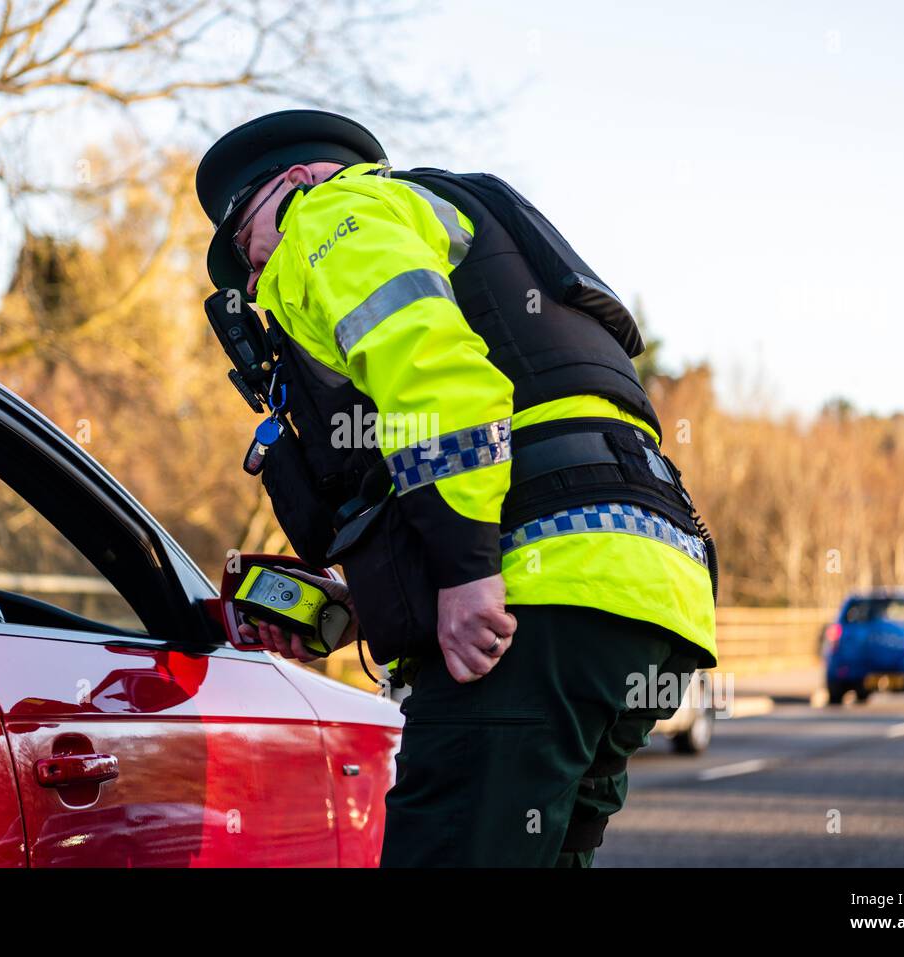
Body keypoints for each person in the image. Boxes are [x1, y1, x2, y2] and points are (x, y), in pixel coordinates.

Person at [195, 110, 719, 866]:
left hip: (534, 598)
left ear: (297, 183)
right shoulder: (471, 227)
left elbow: (443, 381)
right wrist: (353, 606)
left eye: (246, 244)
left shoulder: (334, 215)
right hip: (651, 601)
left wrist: (470, 571)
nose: (253, 280)